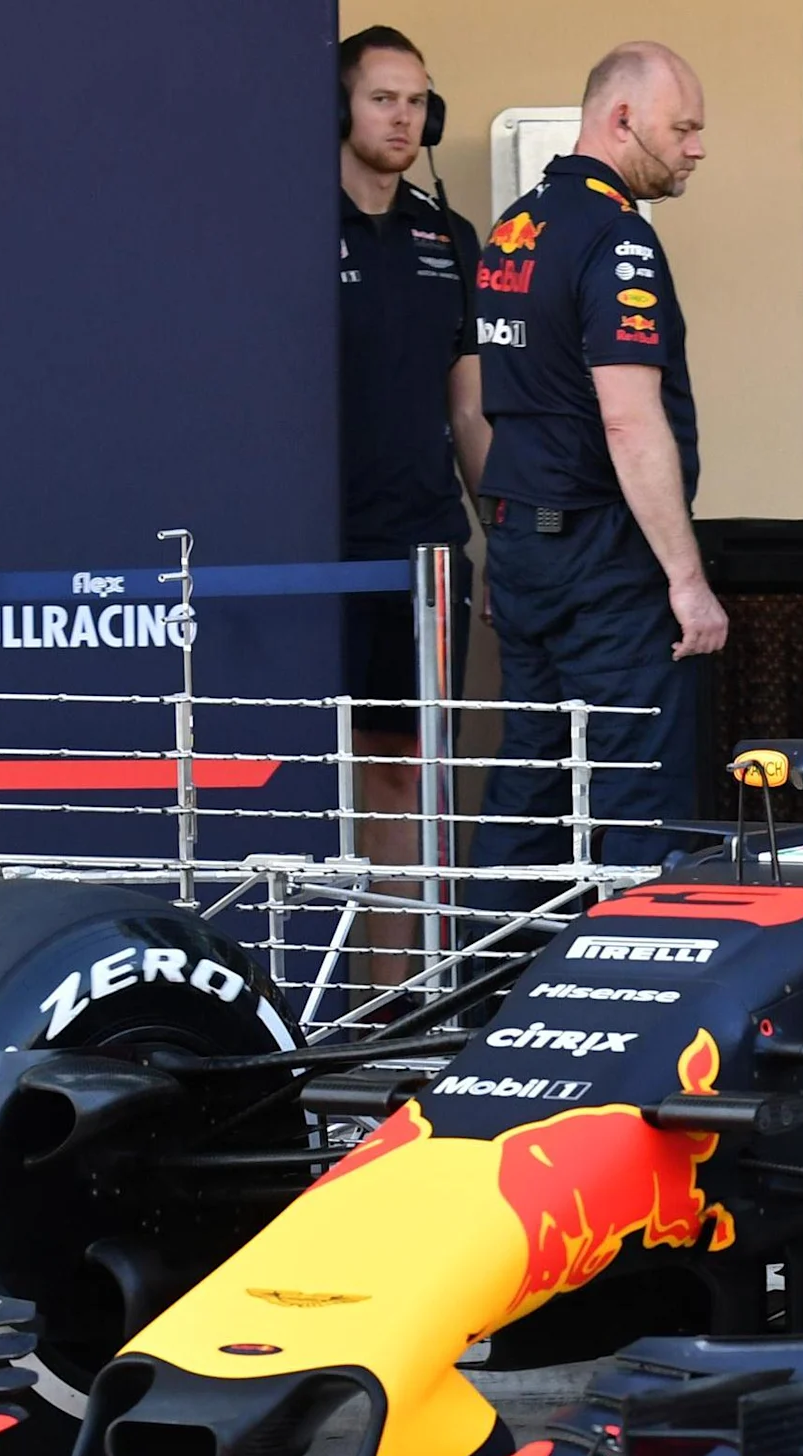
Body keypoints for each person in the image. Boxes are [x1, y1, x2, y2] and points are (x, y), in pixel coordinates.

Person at [471, 41, 725, 888]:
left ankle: (489, 990)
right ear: (623, 120)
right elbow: (628, 418)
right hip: (600, 557)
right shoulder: (618, 241)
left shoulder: (517, 223)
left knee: (534, 779)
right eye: (682, 127)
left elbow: (485, 403)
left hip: (521, 542)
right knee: (634, 795)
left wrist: (497, 538)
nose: (696, 147)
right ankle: (628, 1005)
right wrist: (685, 580)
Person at [335, 27, 487, 973]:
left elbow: (469, 406)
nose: (404, 116)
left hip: (425, 548)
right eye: (383, 97)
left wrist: (503, 529)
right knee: (318, 775)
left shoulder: (448, 236)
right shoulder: (285, 226)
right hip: (314, 548)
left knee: (406, 775)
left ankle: (390, 1009)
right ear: (339, 108)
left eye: (418, 100)